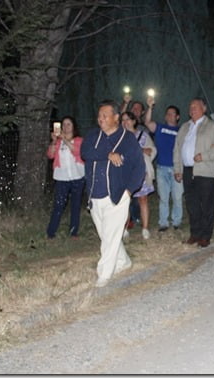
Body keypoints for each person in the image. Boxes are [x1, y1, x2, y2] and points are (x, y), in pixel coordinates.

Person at [81, 100, 145, 287]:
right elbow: (86, 153)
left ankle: (104, 275)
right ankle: (124, 262)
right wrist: (108, 154)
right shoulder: (93, 136)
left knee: (109, 237)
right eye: (99, 116)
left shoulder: (128, 139)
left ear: (116, 117)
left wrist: (129, 190)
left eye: (105, 116)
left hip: (117, 195)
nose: (100, 119)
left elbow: (139, 167)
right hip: (95, 195)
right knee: (107, 235)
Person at [173, 98, 214, 247]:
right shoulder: (184, 127)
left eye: (195, 107)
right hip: (188, 171)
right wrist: (178, 169)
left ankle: (205, 236)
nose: (192, 109)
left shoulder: (211, 126)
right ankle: (195, 234)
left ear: (203, 108)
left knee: (206, 205)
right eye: (190, 107)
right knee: (192, 205)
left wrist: (204, 156)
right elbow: (177, 149)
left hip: (205, 171)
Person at [144, 99, 183, 232]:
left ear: (177, 117)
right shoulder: (160, 128)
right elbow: (147, 122)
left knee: (177, 197)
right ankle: (163, 223)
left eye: (172, 114)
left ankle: (177, 221)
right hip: (161, 168)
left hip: (177, 169)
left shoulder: (182, 130)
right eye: (167, 113)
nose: (169, 115)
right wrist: (150, 107)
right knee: (163, 197)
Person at [46, 116, 85, 239]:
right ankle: (51, 233)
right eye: (64, 124)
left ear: (74, 126)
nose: (66, 127)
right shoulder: (57, 142)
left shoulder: (79, 140)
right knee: (58, 205)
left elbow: (78, 152)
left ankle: (73, 232)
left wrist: (65, 140)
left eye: (69, 124)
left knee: (75, 205)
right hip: (61, 178)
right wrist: (53, 141)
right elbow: (50, 155)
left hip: (77, 176)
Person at [121, 111, 156, 240]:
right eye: (123, 120)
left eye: (128, 119)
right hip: (124, 173)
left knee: (143, 200)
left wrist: (143, 152)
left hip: (141, 172)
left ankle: (145, 228)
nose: (125, 122)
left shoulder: (143, 135)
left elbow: (152, 150)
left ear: (134, 121)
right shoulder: (119, 137)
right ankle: (124, 228)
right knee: (125, 202)